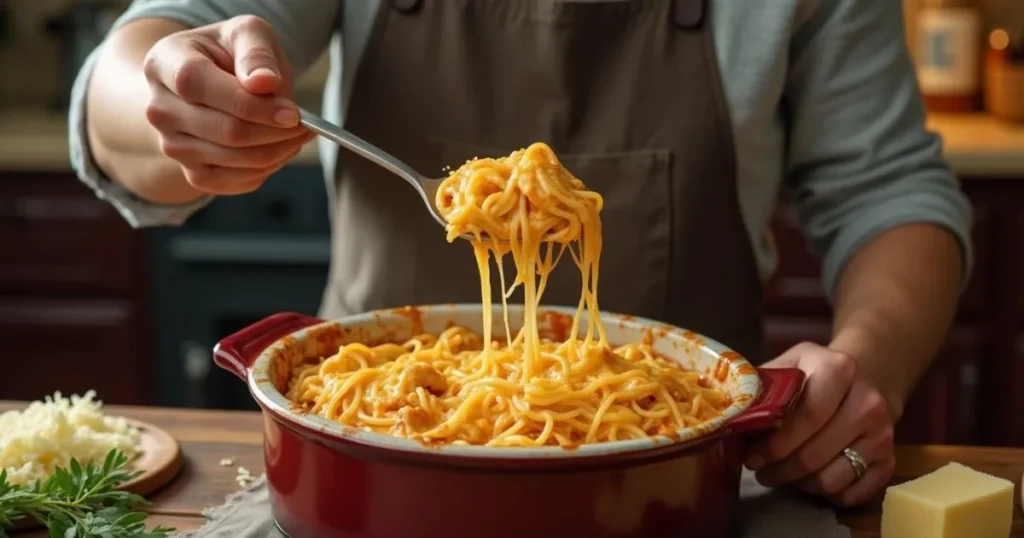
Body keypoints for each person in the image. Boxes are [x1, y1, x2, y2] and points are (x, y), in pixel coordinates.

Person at [74, 0, 972, 507]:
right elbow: (134, 67)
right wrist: (173, 105)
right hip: (376, 470)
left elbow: (893, 192)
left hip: (675, 475)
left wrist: (867, 366)